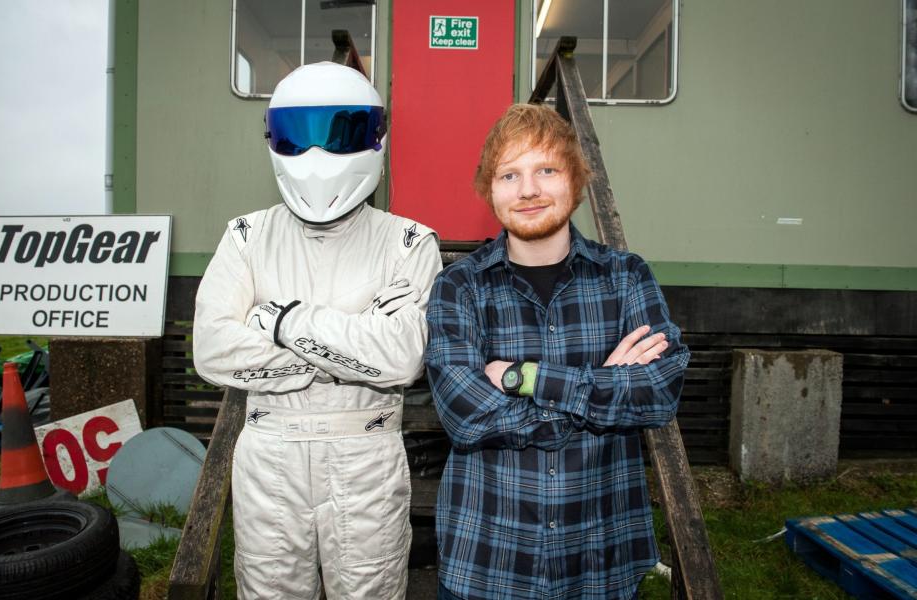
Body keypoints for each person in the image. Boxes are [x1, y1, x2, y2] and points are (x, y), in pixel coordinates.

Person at [193, 62, 442, 600]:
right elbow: (212, 351)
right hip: (269, 456)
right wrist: (347, 345)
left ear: (373, 137)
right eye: (298, 134)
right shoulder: (246, 236)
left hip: (366, 460)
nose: (317, 155)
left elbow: (400, 359)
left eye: (337, 133)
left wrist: (282, 323)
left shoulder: (409, 242)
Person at [425, 103, 689, 600]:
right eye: (510, 175)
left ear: (577, 180)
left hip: (600, 564)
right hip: (486, 563)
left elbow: (658, 393)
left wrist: (522, 377)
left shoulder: (628, 277)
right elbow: (465, 416)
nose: (528, 190)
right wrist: (603, 386)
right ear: (490, 190)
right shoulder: (458, 287)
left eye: (546, 170)